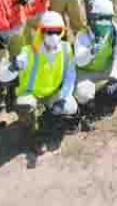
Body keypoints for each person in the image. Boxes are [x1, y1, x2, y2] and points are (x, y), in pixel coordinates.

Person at [7, 11, 78, 156]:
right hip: (31, 94)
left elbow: (70, 77)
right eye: (48, 31)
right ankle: (34, 135)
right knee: (25, 106)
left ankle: (52, 120)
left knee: (70, 107)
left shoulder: (66, 48)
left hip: (52, 93)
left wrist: (63, 98)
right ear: (41, 31)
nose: (53, 36)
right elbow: (4, 75)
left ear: (63, 31)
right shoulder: (28, 51)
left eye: (57, 31)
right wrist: (12, 68)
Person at [74, 0, 117, 112]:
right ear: (93, 17)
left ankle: (113, 94)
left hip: (105, 67)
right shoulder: (82, 34)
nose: (105, 21)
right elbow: (79, 61)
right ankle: (91, 104)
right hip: (86, 73)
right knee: (83, 95)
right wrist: (91, 52)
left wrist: (113, 77)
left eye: (108, 18)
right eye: (101, 17)